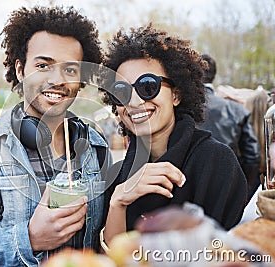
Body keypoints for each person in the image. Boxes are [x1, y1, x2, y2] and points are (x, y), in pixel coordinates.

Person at [0, 6, 108, 266]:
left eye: (70, 70)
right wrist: (29, 239)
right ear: (20, 70)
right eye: (42, 66)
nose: (57, 80)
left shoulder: (96, 146)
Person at [99, 24, 247, 249]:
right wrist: (118, 201)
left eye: (147, 86)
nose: (134, 102)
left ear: (176, 95)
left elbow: (221, 254)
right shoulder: (117, 174)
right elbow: (113, 257)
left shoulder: (216, 161)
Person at [198, 54, 261, 199]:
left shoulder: (178, 108)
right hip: (228, 187)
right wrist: (243, 189)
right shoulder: (237, 110)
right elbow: (252, 156)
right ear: (213, 75)